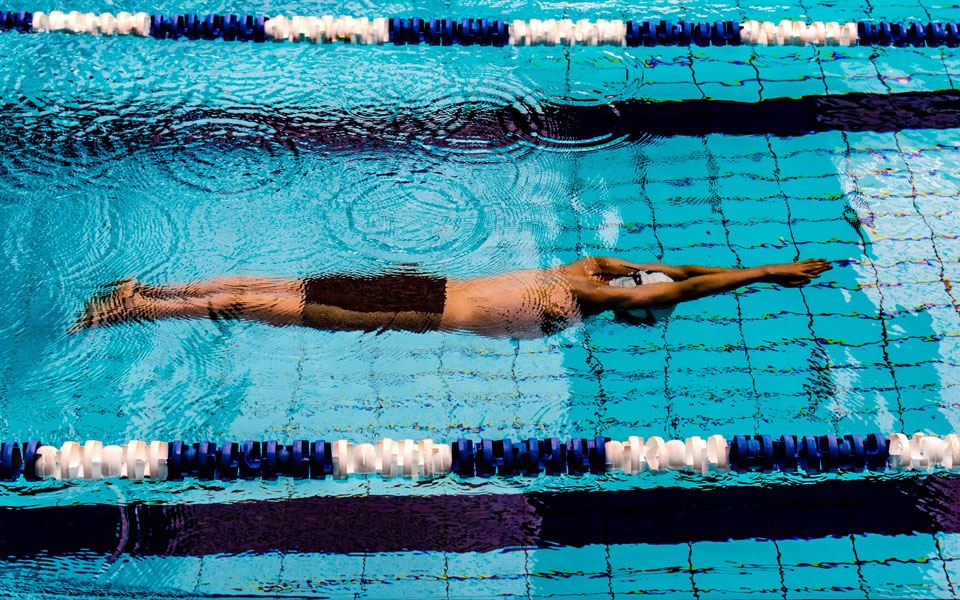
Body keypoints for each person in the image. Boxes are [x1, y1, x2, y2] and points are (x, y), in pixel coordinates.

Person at [71, 257, 832, 338]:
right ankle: (133, 309)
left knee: (274, 286)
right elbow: (688, 289)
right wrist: (767, 275)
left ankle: (145, 290)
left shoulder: (586, 268)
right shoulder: (580, 305)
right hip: (416, 310)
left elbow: (674, 274)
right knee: (264, 305)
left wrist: (764, 265)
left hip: (422, 284)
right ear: (629, 306)